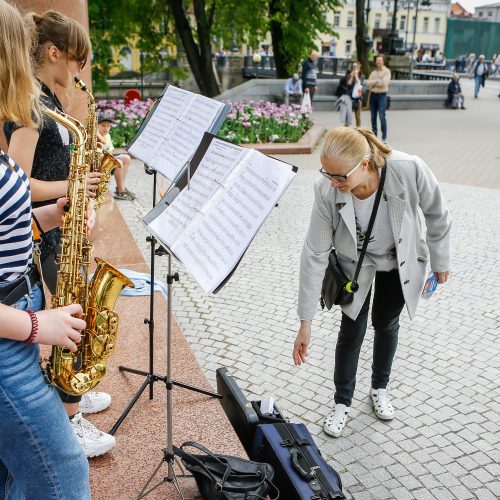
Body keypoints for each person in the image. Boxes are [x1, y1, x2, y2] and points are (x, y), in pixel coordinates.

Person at [3, 9, 115, 458]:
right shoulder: (32, 106)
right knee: (72, 314)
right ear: (54, 53)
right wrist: (72, 186)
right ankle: (69, 412)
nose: (81, 72)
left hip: (49, 223)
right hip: (35, 230)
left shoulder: (48, 102)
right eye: (78, 61)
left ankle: (69, 390)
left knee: (69, 313)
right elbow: (20, 178)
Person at [293, 126, 451, 438]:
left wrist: (441, 260)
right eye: (328, 174)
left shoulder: (408, 169)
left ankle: (380, 388)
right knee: (352, 329)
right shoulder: (326, 189)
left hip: (398, 260)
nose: (334, 183)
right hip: (356, 264)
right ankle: (342, 402)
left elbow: (437, 213)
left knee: (386, 323)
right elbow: (315, 252)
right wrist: (305, 322)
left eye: (340, 177)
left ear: (364, 165)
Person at [97, 113, 136, 200]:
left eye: (108, 126)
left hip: (107, 160)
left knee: (127, 158)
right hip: (100, 163)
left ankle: (121, 186)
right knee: (119, 163)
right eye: (103, 126)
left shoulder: (108, 136)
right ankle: (121, 191)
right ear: (97, 125)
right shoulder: (96, 136)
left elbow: (110, 152)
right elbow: (99, 156)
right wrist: (112, 161)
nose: (106, 128)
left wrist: (111, 159)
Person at [366, 55, 391, 143]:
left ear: (383, 62)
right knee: (373, 117)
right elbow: (367, 84)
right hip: (373, 95)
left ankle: (384, 137)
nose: (378, 62)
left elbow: (384, 83)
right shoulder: (373, 72)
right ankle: (374, 137)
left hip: (382, 96)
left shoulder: (387, 71)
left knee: (381, 116)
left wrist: (373, 82)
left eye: (380, 61)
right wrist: (377, 81)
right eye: (377, 61)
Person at [351, 62, 364, 127]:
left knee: (358, 117)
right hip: (349, 98)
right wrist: (351, 76)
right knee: (347, 117)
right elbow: (348, 84)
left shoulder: (361, 76)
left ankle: (358, 130)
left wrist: (356, 75)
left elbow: (359, 83)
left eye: (356, 66)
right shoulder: (350, 75)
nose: (354, 67)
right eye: (353, 66)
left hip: (358, 99)